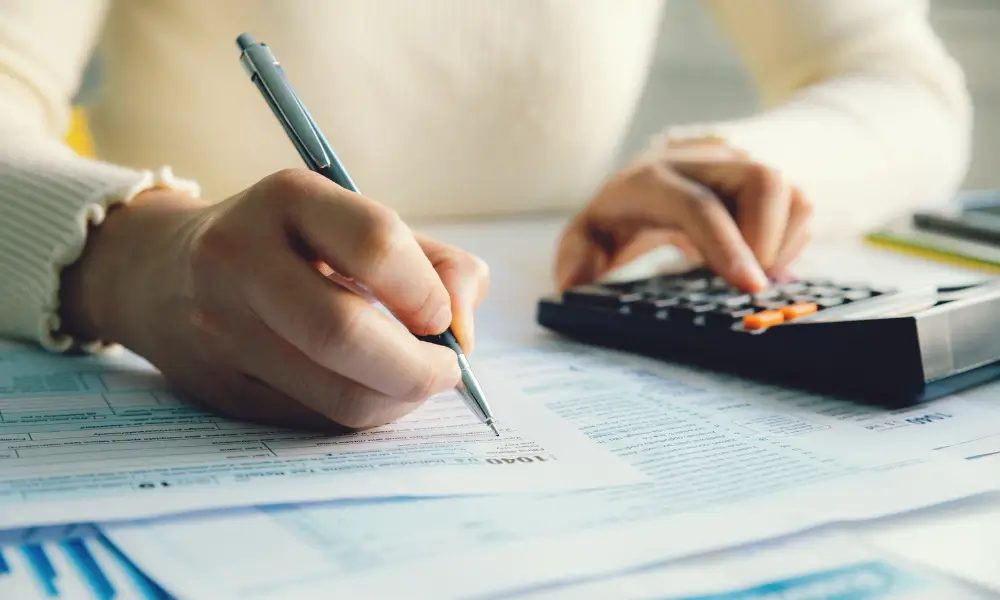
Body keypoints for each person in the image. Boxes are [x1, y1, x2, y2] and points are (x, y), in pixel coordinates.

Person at [0, 1, 971, 430]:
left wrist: (750, 167)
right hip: (171, 341)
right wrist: (130, 251)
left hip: (550, 321)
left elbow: (898, 82)